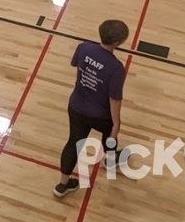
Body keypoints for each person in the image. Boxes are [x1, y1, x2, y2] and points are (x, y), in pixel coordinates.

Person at [55, 19, 129, 199]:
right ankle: (110, 161)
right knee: (109, 135)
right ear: (118, 43)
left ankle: (62, 185)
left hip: (76, 107)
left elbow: (75, 64)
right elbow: (114, 98)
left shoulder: (83, 48)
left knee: (73, 142)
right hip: (101, 115)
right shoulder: (116, 68)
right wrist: (116, 124)